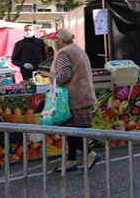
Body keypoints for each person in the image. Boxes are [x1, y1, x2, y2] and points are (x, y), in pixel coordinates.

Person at [37, 29, 101, 172]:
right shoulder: (77, 50)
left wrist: (47, 74)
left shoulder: (65, 53)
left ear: (60, 41)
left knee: (67, 129)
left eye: (56, 40)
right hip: (82, 96)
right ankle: (71, 161)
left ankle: (90, 154)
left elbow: (63, 76)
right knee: (72, 130)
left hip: (71, 99)